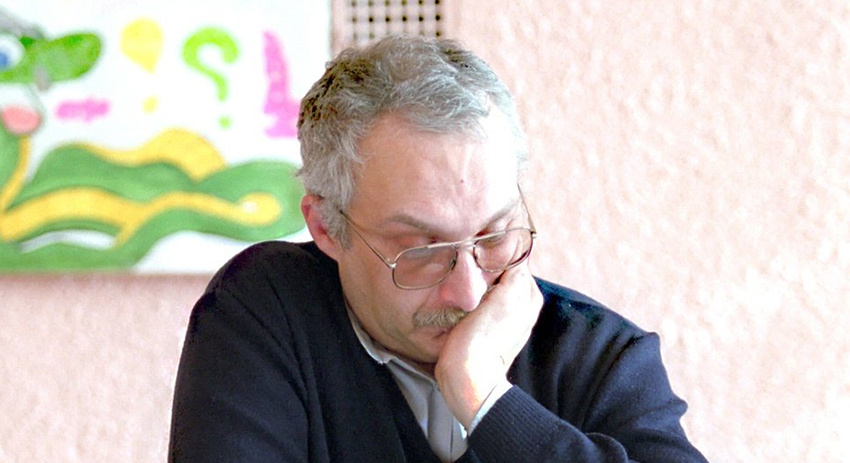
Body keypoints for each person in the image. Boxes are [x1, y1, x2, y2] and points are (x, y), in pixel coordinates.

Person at [168, 35, 708, 463]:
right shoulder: (267, 313)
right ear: (327, 228)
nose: (470, 293)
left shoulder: (602, 356)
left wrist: (484, 397)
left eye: (495, 235)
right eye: (421, 250)